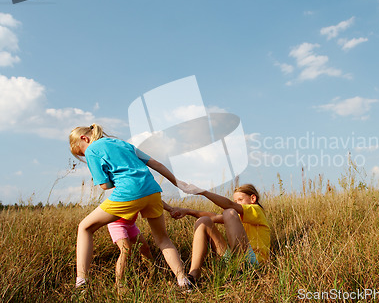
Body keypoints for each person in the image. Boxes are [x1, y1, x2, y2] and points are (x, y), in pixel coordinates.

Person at [69, 123, 191, 290]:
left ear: (84, 138)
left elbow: (104, 185)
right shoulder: (124, 144)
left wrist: (114, 178)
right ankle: (183, 281)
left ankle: (82, 282)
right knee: (163, 239)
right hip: (153, 191)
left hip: (128, 193)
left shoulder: (92, 150)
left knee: (85, 227)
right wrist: (179, 183)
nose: (84, 154)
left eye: (80, 151)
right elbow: (156, 164)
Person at [168, 183, 270, 283]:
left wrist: (203, 192)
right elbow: (214, 217)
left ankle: (240, 266)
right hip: (234, 260)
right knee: (203, 221)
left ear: (253, 199)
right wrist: (187, 211)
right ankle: (193, 277)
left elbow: (229, 206)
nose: (237, 203)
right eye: (235, 201)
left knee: (229, 212)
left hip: (254, 263)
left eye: (240, 200)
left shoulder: (257, 211)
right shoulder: (239, 217)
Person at [106, 213, 154, 291]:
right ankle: (120, 285)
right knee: (126, 250)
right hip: (116, 224)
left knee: (145, 248)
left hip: (131, 224)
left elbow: (154, 200)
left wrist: (170, 209)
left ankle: (154, 275)